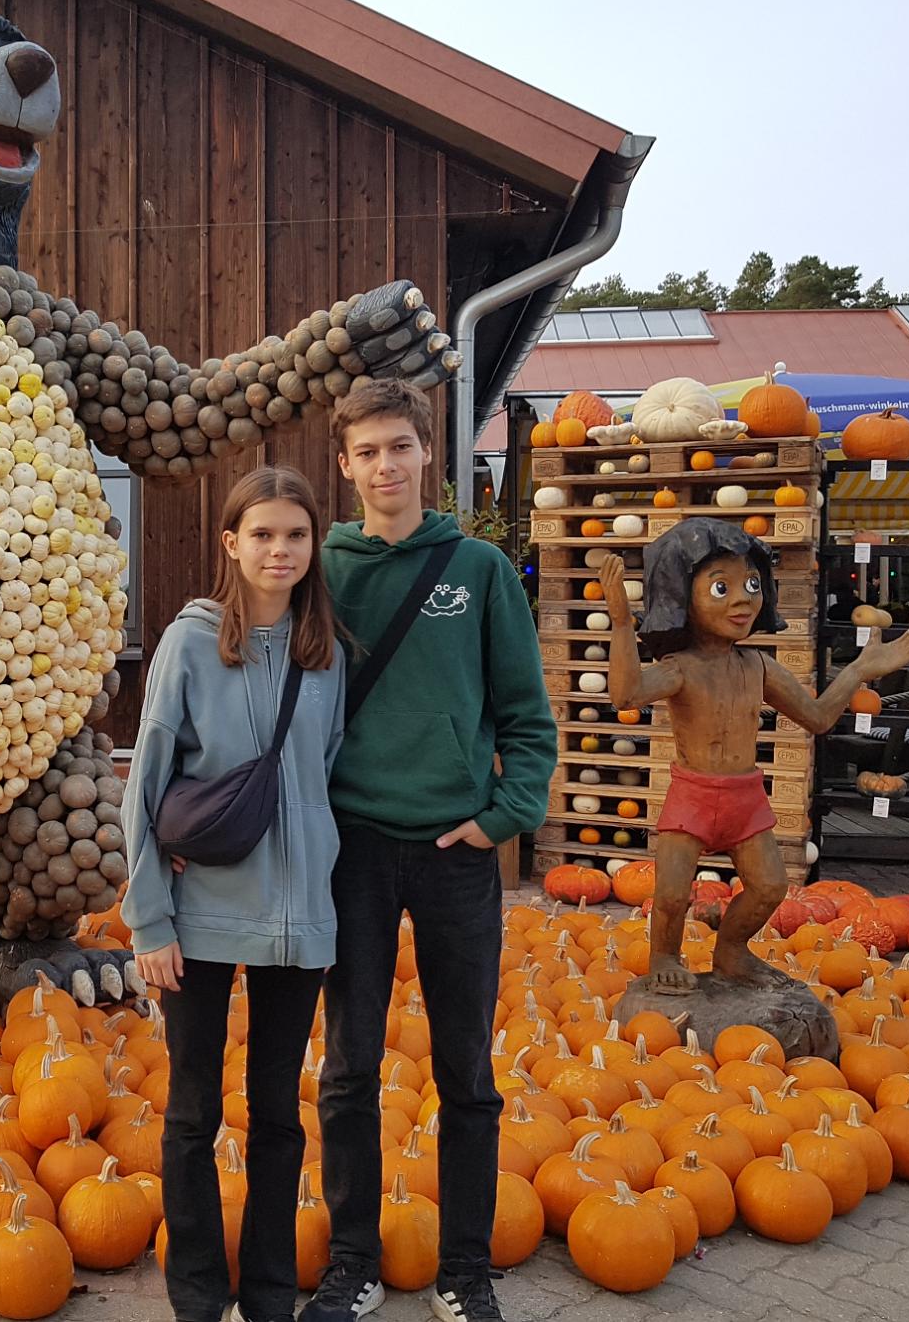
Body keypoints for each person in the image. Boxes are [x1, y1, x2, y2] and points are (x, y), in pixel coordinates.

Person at [302, 379, 555, 1322]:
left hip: (455, 849)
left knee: (466, 1072)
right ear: (345, 465)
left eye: (400, 447)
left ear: (426, 454)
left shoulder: (478, 571)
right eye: (367, 452)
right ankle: (354, 1262)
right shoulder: (321, 570)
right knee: (349, 1068)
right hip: (354, 850)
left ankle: (465, 1268)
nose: (386, 466)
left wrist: (504, 815)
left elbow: (526, 713)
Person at [121, 465, 348, 1322]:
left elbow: (325, 776)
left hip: (299, 921)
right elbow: (146, 783)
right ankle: (197, 1294)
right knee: (192, 1111)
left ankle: (267, 1293)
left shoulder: (326, 652)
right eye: (262, 534)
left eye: (295, 534)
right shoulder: (189, 643)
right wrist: (150, 918)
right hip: (201, 915)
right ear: (231, 543)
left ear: (313, 544)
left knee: (279, 1115)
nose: (278, 550)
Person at [600, 521, 909, 990]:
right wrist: (621, 623)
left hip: (744, 797)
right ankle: (664, 955)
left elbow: (817, 716)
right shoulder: (680, 668)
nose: (743, 600)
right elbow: (626, 695)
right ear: (680, 596)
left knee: (770, 886)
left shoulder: (759, 666)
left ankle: (731, 950)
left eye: (752, 585)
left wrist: (858, 671)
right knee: (670, 894)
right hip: (693, 795)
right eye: (721, 587)